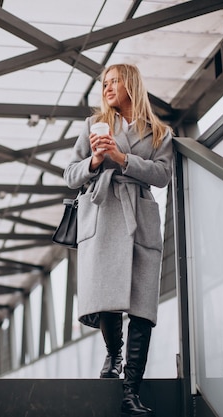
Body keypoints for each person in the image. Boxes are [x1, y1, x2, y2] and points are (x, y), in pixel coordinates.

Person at [63, 63, 173, 417]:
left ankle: (131, 391)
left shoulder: (158, 131)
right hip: (104, 212)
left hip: (139, 216)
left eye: (115, 82)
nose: (108, 88)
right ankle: (114, 354)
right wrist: (96, 160)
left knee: (142, 305)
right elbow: (70, 174)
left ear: (131, 85)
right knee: (107, 294)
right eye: (105, 83)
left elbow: (163, 174)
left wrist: (123, 158)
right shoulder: (94, 124)